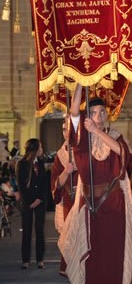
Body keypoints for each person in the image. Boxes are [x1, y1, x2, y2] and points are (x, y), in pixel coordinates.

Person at [58, 83, 132, 284]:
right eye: (94, 113)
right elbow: (73, 111)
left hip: (113, 203)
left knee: (112, 254)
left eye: (103, 112)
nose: (99, 115)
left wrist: (98, 130)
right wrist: (82, 82)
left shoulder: (114, 136)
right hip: (89, 204)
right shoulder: (81, 140)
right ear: (87, 116)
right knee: (90, 254)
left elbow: (124, 155)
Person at [51, 117, 78, 275]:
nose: (66, 132)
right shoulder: (60, 155)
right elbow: (55, 184)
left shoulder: (87, 150)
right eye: (63, 129)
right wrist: (66, 172)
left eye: (68, 128)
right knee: (70, 241)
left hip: (85, 200)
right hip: (68, 202)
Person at [15, 138, 47, 269]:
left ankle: (40, 259)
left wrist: (39, 199)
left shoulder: (41, 162)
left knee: (40, 231)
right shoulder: (21, 164)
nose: (42, 150)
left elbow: (44, 183)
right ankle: (25, 260)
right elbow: (21, 185)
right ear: (34, 149)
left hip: (40, 201)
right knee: (27, 230)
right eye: (40, 147)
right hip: (27, 202)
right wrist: (30, 202)